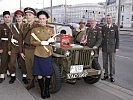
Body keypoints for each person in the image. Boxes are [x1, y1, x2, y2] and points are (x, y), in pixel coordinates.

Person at [30, 10, 54, 99]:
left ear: (46, 19)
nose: (42, 21)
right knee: (39, 74)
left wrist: (52, 41)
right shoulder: (34, 30)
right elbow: (32, 41)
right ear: (38, 19)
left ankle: (47, 89)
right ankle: (42, 90)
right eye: (40, 19)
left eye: (43, 19)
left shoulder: (51, 28)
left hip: (47, 53)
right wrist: (41, 43)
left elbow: (53, 39)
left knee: (48, 74)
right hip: (39, 53)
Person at [8, 10, 28, 84]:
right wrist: (9, 49)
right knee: (12, 62)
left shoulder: (26, 26)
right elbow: (10, 38)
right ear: (15, 18)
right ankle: (12, 76)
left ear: (23, 17)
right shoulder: (12, 27)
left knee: (23, 63)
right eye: (17, 17)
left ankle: (24, 76)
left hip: (23, 47)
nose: (18, 18)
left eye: (20, 17)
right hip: (14, 47)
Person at [23, 7, 39, 90]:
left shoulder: (37, 26)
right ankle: (31, 82)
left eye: (30, 15)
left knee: (35, 67)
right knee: (28, 67)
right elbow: (22, 39)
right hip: (26, 49)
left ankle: (37, 83)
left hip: (34, 49)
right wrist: (22, 51)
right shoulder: (25, 26)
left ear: (34, 16)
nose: (28, 16)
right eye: (27, 15)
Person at [101, 15, 119, 82]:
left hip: (112, 48)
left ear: (112, 19)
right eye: (107, 18)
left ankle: (112, 76)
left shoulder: (115, 27)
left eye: (109, 18)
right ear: (106, 20)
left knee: (112, 62)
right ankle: (106, 75)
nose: (108, 20)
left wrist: (117, 47)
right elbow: (101, 38)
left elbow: (117, 38)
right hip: (104, 48)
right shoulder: (103, 27)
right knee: (105, 62)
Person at [0, 11, 11, 83]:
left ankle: (8, 71)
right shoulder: (1, 26)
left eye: (8, 17)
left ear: (10, 17)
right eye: (5, 17)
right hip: (3, 44)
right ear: (3, 18)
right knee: (3, 59)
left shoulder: (13, 26)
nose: (7, 19)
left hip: (11, 45)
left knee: (10, 59)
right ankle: (1, 74)